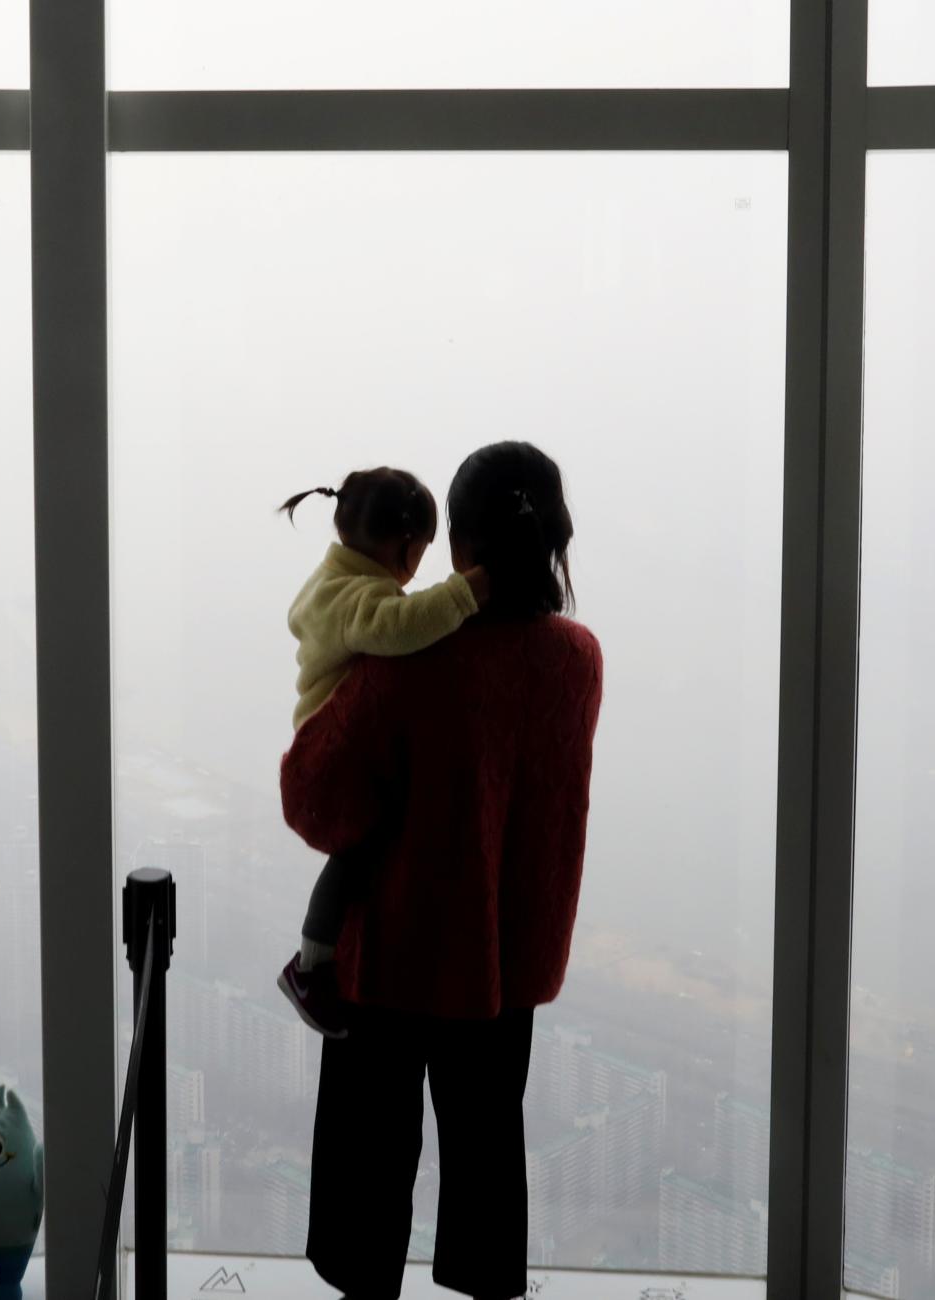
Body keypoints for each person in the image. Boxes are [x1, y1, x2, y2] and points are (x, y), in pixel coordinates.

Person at [280, 441, 603, 1300]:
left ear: (459, 547)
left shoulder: (409, 662)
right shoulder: (578, 662)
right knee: (487, 1163)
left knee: (367, 1186)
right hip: (505, 968)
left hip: (390, 961)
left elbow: (315, 804)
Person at [275, 466, 490, 1037]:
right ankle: (311, 965)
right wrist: (465, 593)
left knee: (363, 854)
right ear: (403, 545)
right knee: (360, 852)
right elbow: (398, 626)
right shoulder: (355, 600)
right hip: (329, 756)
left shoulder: (336, 582)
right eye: (422, 550)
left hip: (332, 747)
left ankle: (320, 959)